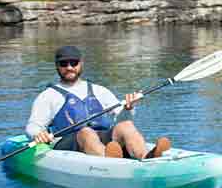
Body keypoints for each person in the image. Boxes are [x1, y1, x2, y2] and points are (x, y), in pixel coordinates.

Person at [25, 45, 170, 160]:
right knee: (86, 132)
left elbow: (121, 119)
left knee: (126, 125)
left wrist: (128, 108)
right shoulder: (48, 96)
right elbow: (33, 126)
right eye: (64, 63)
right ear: (57, 66)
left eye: (73, 62)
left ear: (81, 64)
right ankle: (109, 162)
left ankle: (147, 157)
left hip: (101, 139)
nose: (69, 67)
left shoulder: (100, 91)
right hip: (68, 143)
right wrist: (38, 134)